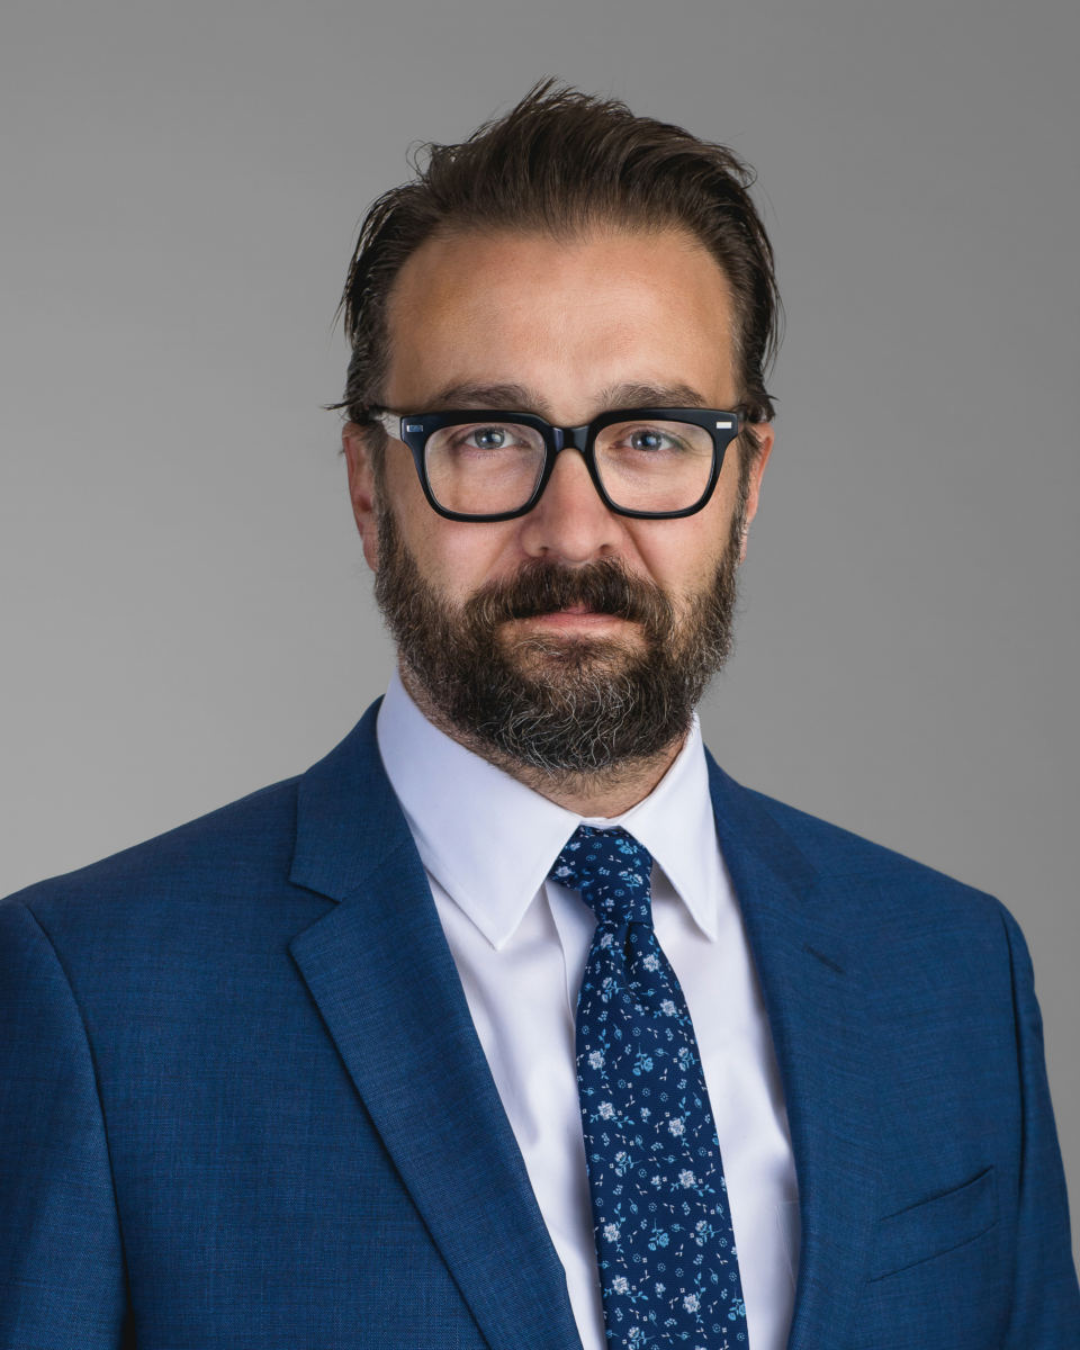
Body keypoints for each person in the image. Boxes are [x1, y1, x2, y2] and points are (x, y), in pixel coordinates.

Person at [1, 81, 1077, 1350]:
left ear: (747, 482)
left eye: (655, 437)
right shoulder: (96, 1000)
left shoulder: (950, 972)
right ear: (368, 486)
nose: (575, 529)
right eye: (490, 436)